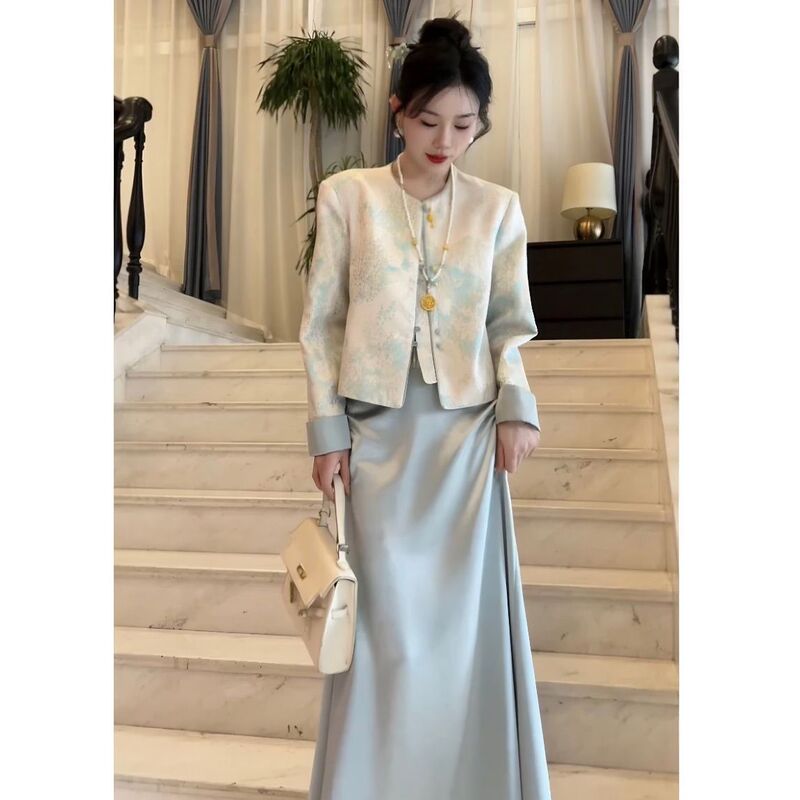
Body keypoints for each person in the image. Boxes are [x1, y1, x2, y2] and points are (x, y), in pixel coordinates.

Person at [298, 14, 552, 800]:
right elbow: (322, 324)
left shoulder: (498, 209)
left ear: (481, 124)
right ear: (398, 113)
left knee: (461, 637)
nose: (446, 140)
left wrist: (516, 407)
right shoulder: (348, 197)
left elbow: (510, 323)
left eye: (465, 125)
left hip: (465, 446)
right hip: (376, 443)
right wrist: (327, 432)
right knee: (387, 638)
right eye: (429, 120)